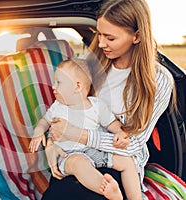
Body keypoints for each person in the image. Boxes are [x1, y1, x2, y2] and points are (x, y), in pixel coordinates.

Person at [42, 0, 175, 199]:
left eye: (110, 38)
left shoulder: (159, 80)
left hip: (117, 163)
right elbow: (64, 108)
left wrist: (81, 135)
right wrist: (51, 145)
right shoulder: (90, 66)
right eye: (99, 34)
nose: (101, 43)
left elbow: (134, 143)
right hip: (76, 155)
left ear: (137, 36)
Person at [29, 59, 142, 200]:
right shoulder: (58, 107)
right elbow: (45, 121)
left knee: (126, 161)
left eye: (59, 82)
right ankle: (107, 190)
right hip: (68, 155)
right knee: (79, 164)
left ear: (77, 86)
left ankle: (136, 197)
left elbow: (111, 123)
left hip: (94, 151)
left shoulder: (96, 106)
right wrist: (38, 132)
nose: (53, 86)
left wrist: (120, 132)